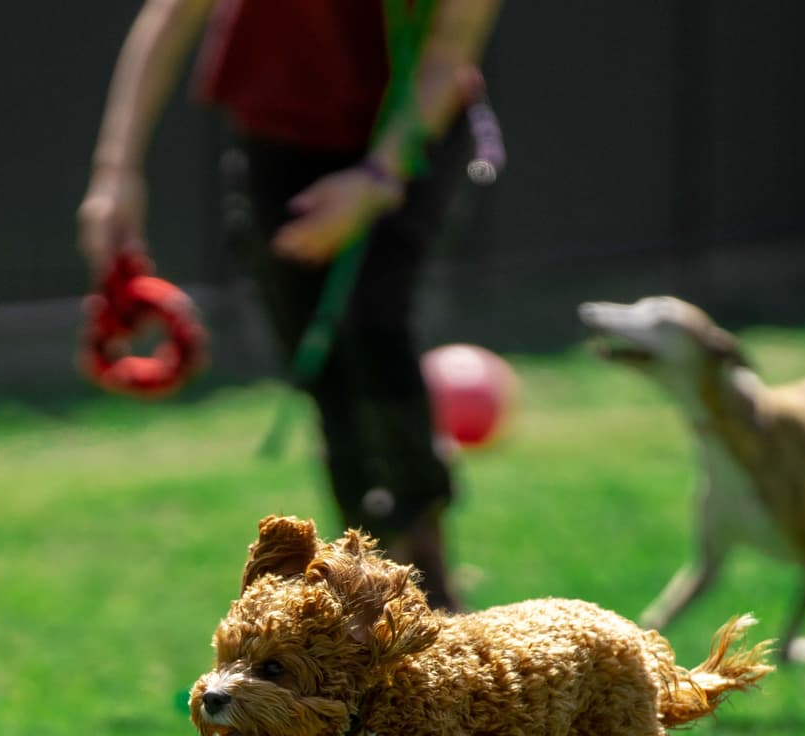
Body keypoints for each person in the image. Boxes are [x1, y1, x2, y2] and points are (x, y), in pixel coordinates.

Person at [79, 0, 503, 611]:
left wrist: (376, 178)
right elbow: (170, 17)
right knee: (323, 367)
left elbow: (449, 48)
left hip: (406, 127)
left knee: (372, 325)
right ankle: (369, 585)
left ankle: (428, 576)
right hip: (280, 133)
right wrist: (115, 174)